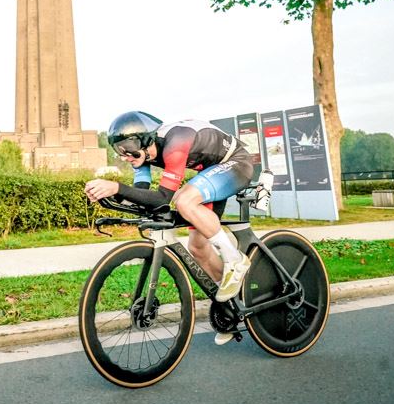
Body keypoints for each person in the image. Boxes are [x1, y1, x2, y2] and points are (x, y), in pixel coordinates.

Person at [83, 111, 271, 345]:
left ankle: (235, 260)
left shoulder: (175, 142)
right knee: (198, 247)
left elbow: (162, 198)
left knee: (184, 201)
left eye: (127, 149)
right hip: (211, 171)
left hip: (236, 164)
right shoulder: (142, 155)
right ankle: (236, 301)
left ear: (144, 140)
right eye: (119, 150)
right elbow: (143, 196)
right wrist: (109, 196)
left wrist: (116, 187)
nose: (124, 156)